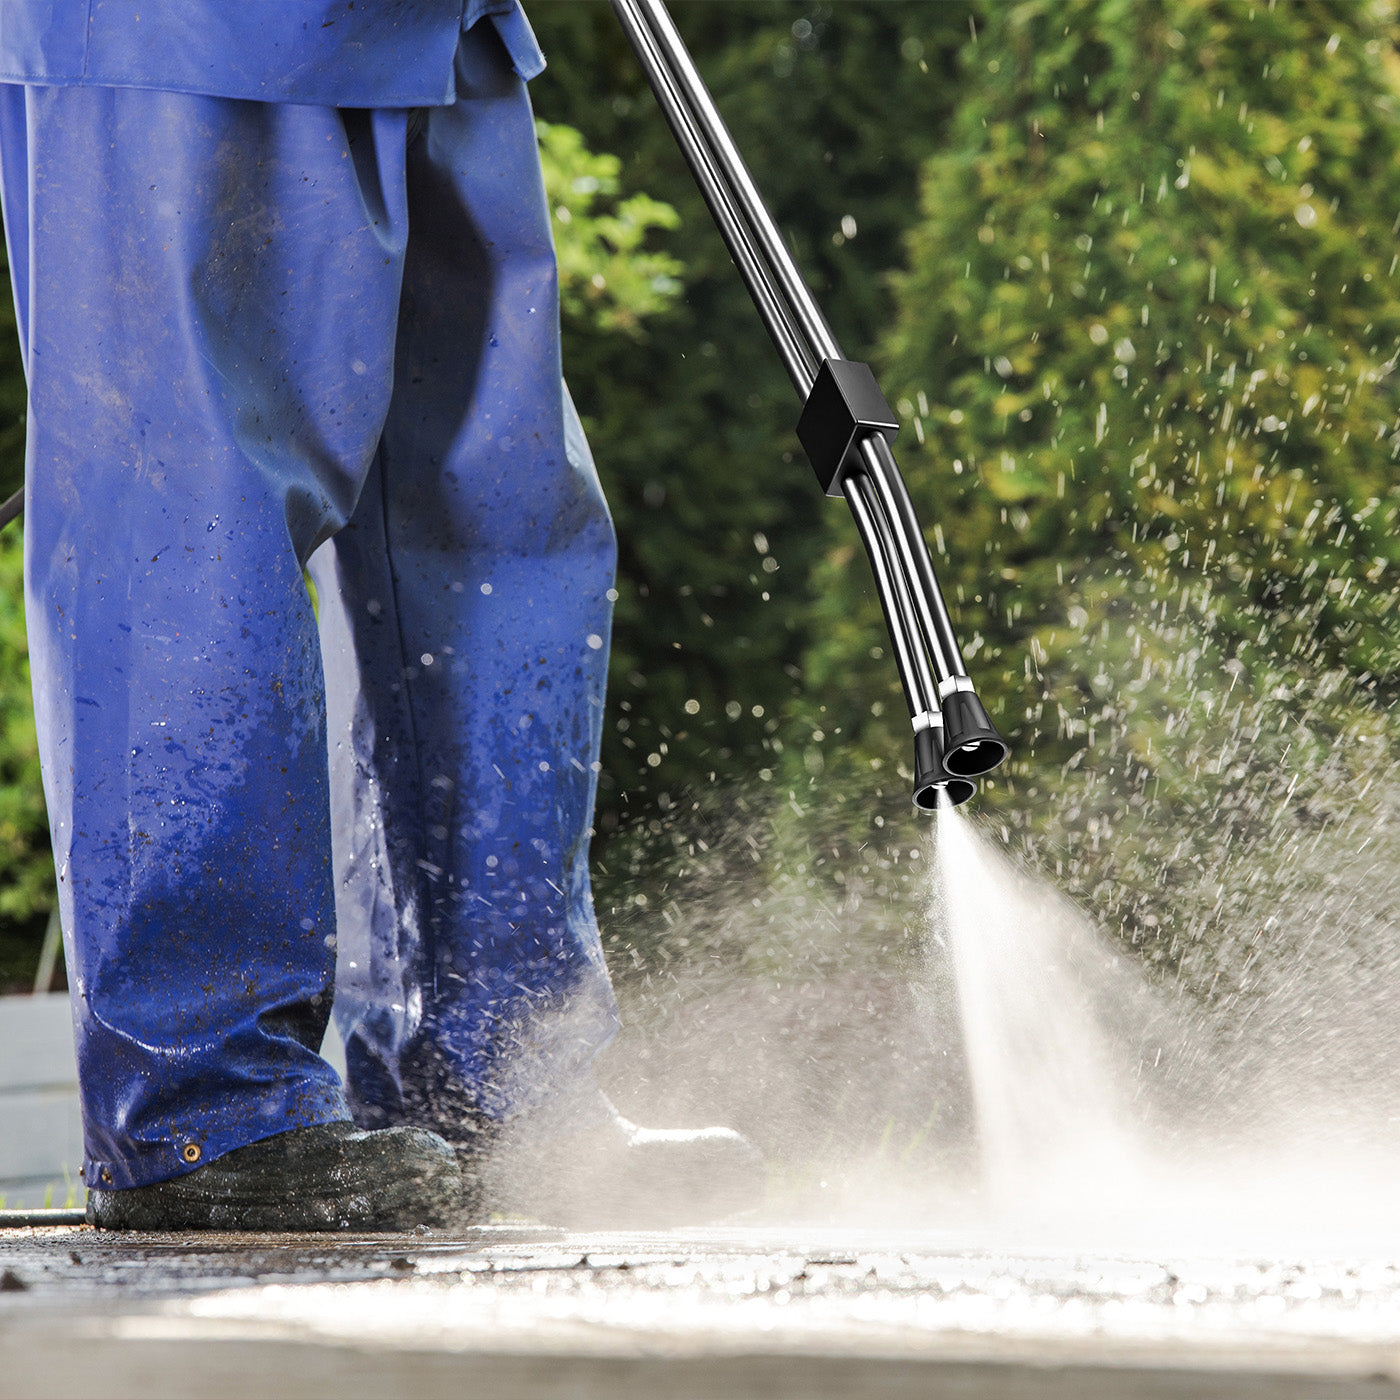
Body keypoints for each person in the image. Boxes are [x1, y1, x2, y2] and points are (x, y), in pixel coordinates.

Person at [0, 0, 760, 1231]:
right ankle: (208, 1097)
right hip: (190, 29)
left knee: (493, 505)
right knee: (189, 500)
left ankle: (497, 1069)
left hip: (439, 25)